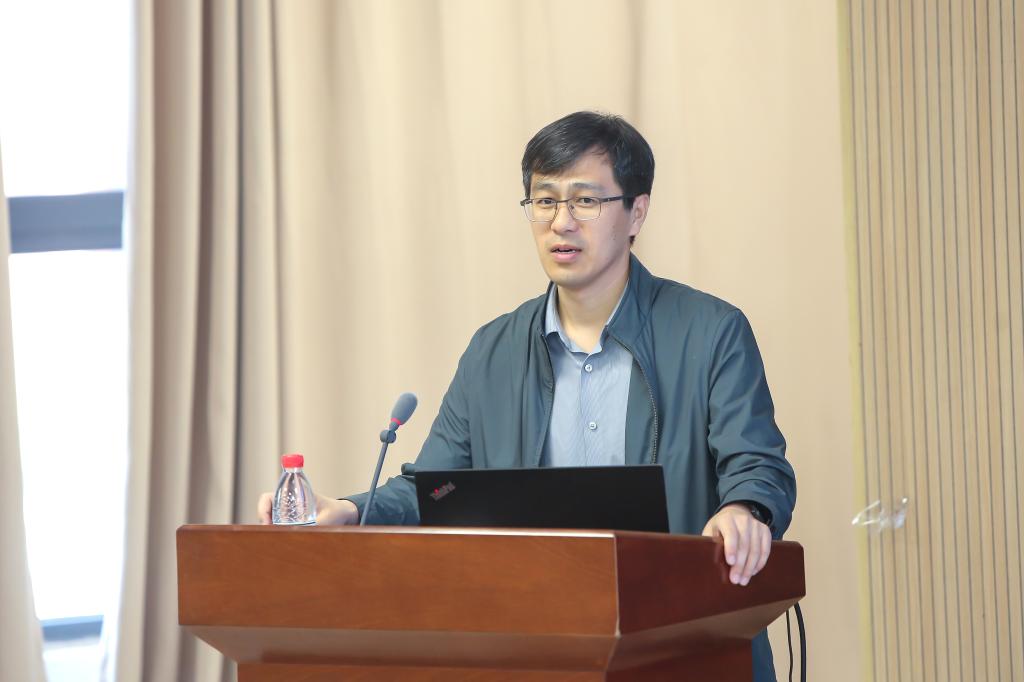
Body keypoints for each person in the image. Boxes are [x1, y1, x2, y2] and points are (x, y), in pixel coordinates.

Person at [258, 111, 796, 680]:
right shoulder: (493, 351)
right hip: (539, 648)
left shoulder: (710, 332)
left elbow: (758, 466)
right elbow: (436, 489)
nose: (561, 222)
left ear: (637, 211)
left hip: (683, 640)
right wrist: (347, 511)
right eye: (545, 201)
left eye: (585, 201)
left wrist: (743, 510)